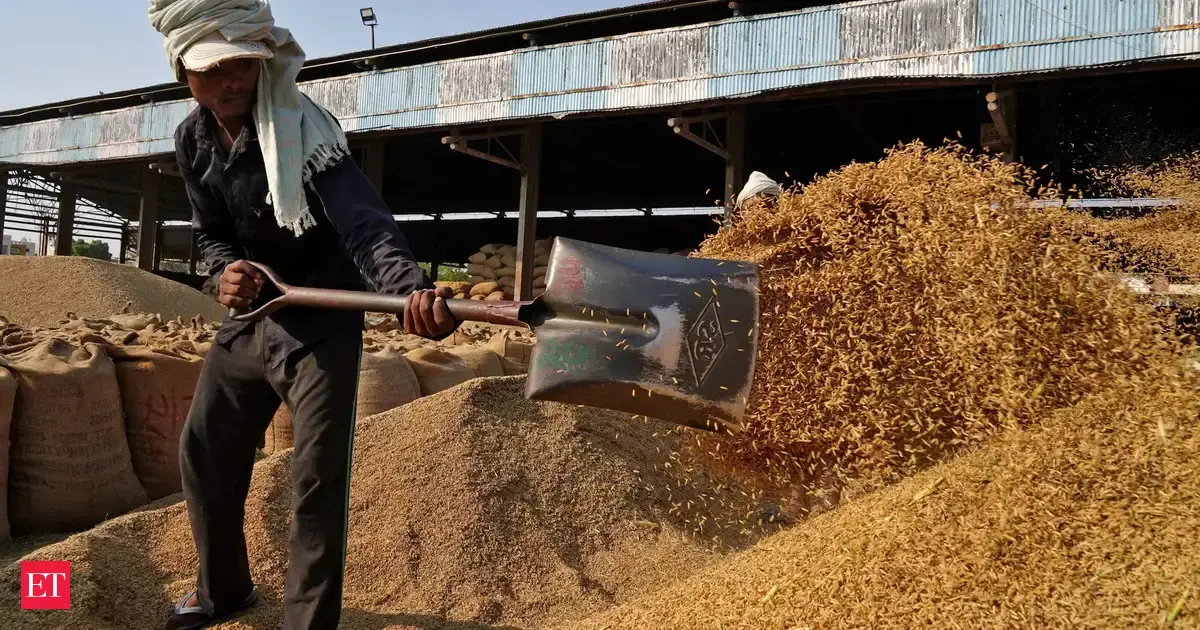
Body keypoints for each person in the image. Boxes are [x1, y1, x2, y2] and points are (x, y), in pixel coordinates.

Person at [148, 2, 458, 629]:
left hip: (320, 322)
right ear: (184, 69)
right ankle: (223, 593)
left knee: (315, 481)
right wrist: (221, 274)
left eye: (245, 66)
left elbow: (364, 225)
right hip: (254, 313)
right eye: (217, 69)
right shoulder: (192, 138)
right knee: (204, 453)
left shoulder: (307, 132)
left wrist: (409, 291)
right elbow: (209, 235)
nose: (234, 81)